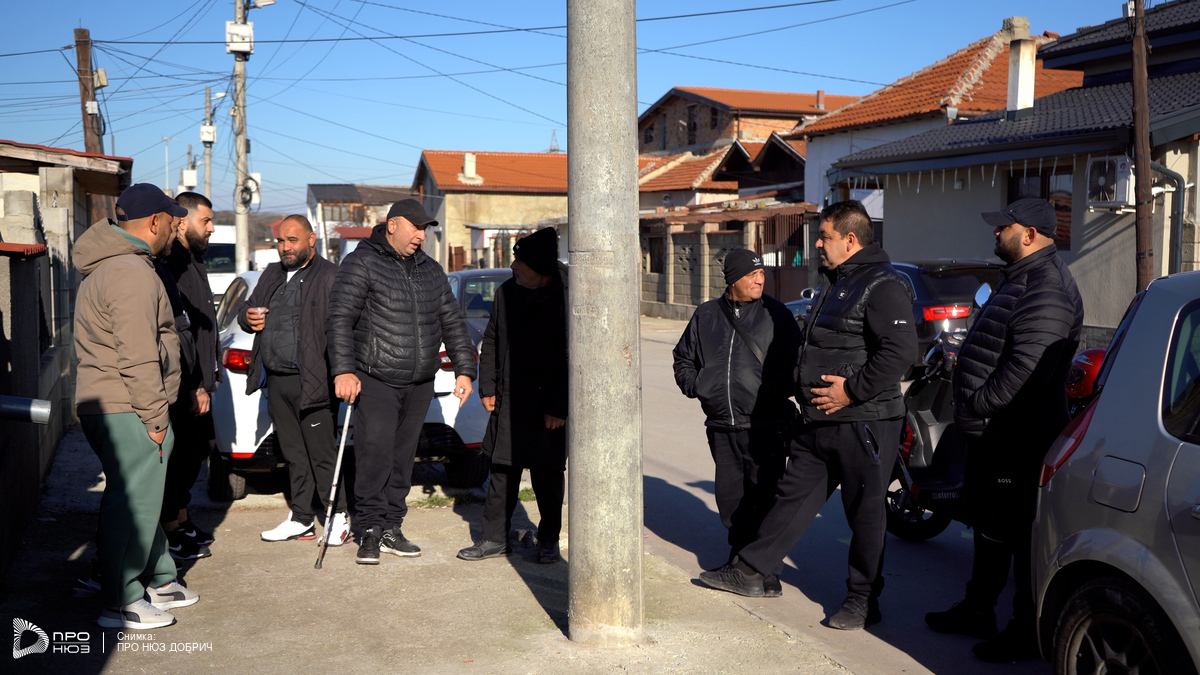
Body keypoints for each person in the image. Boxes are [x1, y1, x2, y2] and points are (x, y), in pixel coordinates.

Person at [698, 200, 918, 631]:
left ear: (850, 240)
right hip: (818, 421)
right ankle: (749, 571)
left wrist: (850, 392)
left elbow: (900, 351)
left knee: (865, 514)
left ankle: (863, 599)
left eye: (824, 237)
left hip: (865, 421)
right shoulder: (835, 281)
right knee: (791, 498)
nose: (817, 244)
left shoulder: (882, 283)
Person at [925, 198, 1083, 662]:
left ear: (1029, 234)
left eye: (1003, 227)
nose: (995, 233)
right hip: (993, 434)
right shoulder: (1020, 278)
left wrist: (978, 403)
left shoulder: (1046, 288)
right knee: (991, 528)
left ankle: (1026, 632)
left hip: (1017, 436)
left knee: (1020, 537)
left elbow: (1025, 372)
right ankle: (977, 610)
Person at [74, 183, 199, 630]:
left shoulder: (116, 265)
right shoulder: (130, 272)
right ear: (155, 222)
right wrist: (155, 415)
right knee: (132, 505)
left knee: (142, 499)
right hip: (127, 405)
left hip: (114, 403)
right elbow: (139, 353)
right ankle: (121, 601)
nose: (175, 230)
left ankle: (159, 579)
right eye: (172, 221)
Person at [326, 199, 476, 565]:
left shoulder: (431, 270)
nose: (421, 235)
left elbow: (452, 321)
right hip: (376, 377)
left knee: (403, 459)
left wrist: (464, 369)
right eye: (415, 227)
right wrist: (343, 370)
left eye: (425, 229)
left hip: (420, 381)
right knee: (374, 456)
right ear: (392, 225)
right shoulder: (361, 263)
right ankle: (369, 530)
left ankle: (392, 527)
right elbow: (339, 318)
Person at [672, 248, 801, 595]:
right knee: (731, 501)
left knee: (766, 497)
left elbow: (797, 363)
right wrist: (698, 386)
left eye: (761, 274)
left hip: (765, 426)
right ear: (732, 279)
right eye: (751, 274)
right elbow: (683, 358)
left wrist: (774, 391)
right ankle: (740, 563)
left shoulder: (777, 315)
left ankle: (764, 571)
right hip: (721, 425)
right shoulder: (706, 315)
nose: (759, 279)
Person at [457, 227, 569, 565]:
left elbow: (573, 357)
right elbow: (491, 340)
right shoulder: (507, 292)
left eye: (520, 261)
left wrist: (558, 405)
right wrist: (488, 387)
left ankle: (548, 541)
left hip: (549, 405)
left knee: (547, 477)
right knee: (502, 471)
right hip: (509, 400)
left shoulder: (567, 296)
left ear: (539, 267)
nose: (513, 266)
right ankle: (494, 539)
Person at [237, 215, 348, 546]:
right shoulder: (272, 273)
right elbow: (247, 310)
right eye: (281, 241)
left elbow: (344, 327)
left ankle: (339, 516)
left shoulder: (330, 276)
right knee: (294, 453)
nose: (285, 247)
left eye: (292, 240)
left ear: (311, 240)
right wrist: (247, 317)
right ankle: (301, 518)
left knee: (321, 453)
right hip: (277, 380)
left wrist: (345, 371)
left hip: (314, 381)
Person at [156, 191, 219, 561]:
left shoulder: (193, 260)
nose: (211, 228)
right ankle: (169, 530)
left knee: (196, 452)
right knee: (178, 458)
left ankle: (180, 517)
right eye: (205, 220)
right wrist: (193, 384)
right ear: (181, 223)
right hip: (184, 384)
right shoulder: (172, 265)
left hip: (200, 382)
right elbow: (178, 334)